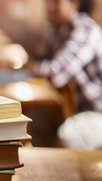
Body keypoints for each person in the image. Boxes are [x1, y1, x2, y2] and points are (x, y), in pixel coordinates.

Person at [28, 0, 102, 149]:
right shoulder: (55, 31)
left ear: (74, 4)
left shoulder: (86, 29)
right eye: (48, 1)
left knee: (69, 137)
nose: (50, 7)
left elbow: (56, 74)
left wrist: (31, 68)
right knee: (27, 123)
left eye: (56, 2)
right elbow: (35, 60)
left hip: (96, 112)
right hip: (67, 110)